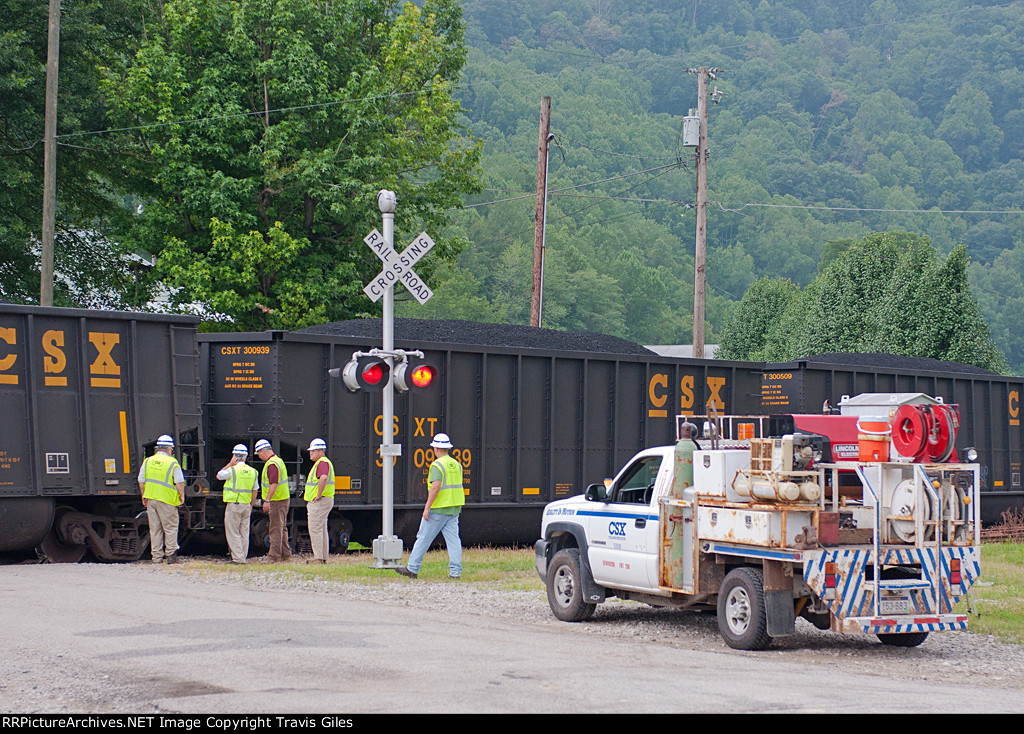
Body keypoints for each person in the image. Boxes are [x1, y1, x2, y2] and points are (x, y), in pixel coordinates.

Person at [396, 433, 465, 579]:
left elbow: (435, 488)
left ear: (436, 449)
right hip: (454, 508)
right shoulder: (457, 465)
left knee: (423, 538)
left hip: (439, 508)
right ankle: (455, 572)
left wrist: (427, 508)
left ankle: (412, 568)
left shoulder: (437, 465)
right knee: (453, 541)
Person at [138, 434, 186, 564]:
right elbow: (179, 482)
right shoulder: (172, 463)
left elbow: (141, 480)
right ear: (169, 449)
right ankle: (170, 555)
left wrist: (144, 495)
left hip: (151, 499)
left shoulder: (147, 461)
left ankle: (156, 557)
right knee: (170, 527)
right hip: (167, 500)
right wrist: (181, 495)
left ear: (158, 448)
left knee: (155, 529)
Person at [218, 443, 259, 564]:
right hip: (246, 505)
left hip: (234, 505)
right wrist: (251, 504)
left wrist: (230, 463)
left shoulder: (232, 470)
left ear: (234, 456)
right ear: (245, 457)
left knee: (233, 532)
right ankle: (243, 556)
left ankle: (238, 559)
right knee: (244, 532)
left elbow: (219, 475)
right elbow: (255, 490)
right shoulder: (253, 472)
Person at [255, 438, 291, 563]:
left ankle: (274, 557)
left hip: (277, 500)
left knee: (275, 528)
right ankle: (286, 555)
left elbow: (273, 483)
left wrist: (267, 500)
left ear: (263, 451)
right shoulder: (278, 460)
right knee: (282, 528)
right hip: (283, 498)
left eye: (259, 453)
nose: (259, 456)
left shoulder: (272, 464)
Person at [304, 438, 334, 564]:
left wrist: (318, 495)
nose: (310, 453)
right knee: (321, 529)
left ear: (321, 451)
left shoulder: (322, 462)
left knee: (315, 529)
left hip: (320, 501)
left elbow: (323, 477)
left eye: (313, 451)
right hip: (325, 499)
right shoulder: (324, 462)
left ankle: (318, 558)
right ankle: (323, 557)